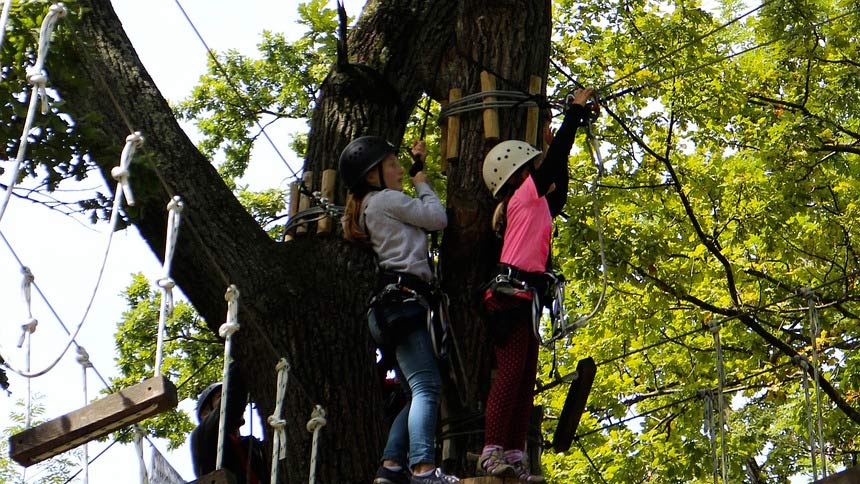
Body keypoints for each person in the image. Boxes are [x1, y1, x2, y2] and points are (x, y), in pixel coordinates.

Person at [478, 87, 596, 483]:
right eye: (533, 166)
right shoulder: (521, 198)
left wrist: (556, 140)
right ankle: (492, 451)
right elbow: (554, 164)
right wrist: (574, 113)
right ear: (520, 174)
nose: (538, 171)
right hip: (510, 297)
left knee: (525, 379)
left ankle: (514, 453)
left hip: (525, 298)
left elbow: (557, 188)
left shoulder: (536, 203)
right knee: (511, 375)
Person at [339, 136, 458, 484]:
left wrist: (418, 164)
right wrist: (423, 184)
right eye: (392, 165)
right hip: (403, 306)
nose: (399, 171)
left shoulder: (370, 205)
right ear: (373, 174)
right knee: (427, 387)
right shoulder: (386, 200)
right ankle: (423, 469)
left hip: (389, 310)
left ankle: (390, 469)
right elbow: (437, 218)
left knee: (413, 391)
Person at [191, 363, 268, 484]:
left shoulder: (252, 447)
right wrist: (240, 359)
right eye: (220, 397)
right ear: (205, 413)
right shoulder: (202, 436)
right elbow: (232, 400)